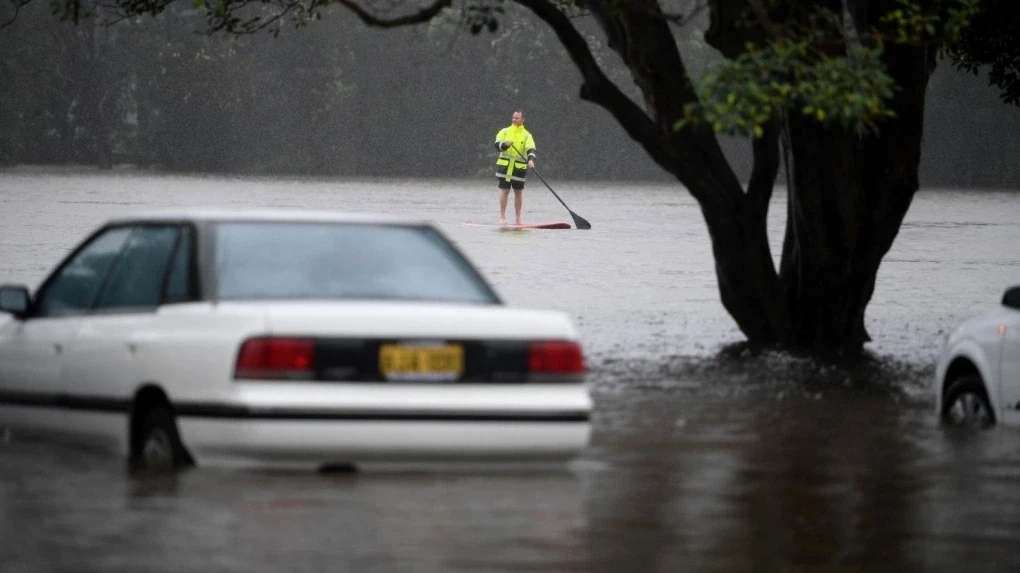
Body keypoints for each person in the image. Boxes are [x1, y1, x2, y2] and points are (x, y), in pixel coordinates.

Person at [493, 109, 536, 226]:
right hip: (505, 167)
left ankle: (518, 219)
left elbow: (531, 149)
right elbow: (497, 145)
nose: (514, 119)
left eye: (517, 118)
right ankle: (502, 218)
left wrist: (531, 160)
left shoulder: (527, 135)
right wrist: (505, 145)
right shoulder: (504, 131)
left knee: (518, 192)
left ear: (522, 119)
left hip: (519, 169)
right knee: (505, 191)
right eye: (513, 117)